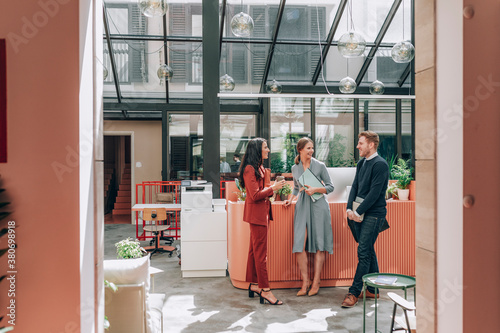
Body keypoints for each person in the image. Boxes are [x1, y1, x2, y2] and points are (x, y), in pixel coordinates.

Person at [341, 131, 390, 308]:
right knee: (367, 249)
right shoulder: (362, 163)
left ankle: (354, 292)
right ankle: (373, 289)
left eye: (360, 143)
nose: (357, 146)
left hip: (374, 214)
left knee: (363, 251)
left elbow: (374, 194)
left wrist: (357, 211)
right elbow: (355, 186)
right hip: (358, 212)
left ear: (371, 145)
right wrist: (349, 208)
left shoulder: (380, 165)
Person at [284, 137, 334, 296]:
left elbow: (330, 187)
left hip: (319, 205)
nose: (311, 151)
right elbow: (296, 188)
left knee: (320, 243)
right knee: (299, 243)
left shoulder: (320, 166)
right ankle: (305, 282)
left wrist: (316, 189)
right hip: (302, 205)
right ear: (300, 149)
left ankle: (317, 281)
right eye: (308, 148)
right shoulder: (295, 168)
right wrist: (290, 200)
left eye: (312, 148)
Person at [239, 138, 286, 305]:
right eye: (266, 147)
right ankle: (265, 290)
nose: (268, 150)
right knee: (261, 255)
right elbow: (255, 195)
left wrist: (271, 187)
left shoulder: (259, 168)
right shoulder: (249, 169)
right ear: (258, 149)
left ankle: (253, 284)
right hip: (257, 216)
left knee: (254, 251)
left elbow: (263, 192)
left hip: (262, 214)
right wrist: (272, 188)